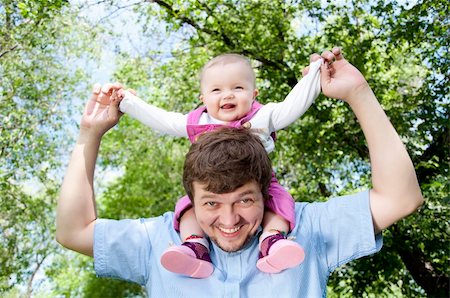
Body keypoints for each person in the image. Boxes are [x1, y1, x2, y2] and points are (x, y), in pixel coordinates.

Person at [56, 48, 423, 297]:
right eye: (211, 203)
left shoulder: (305, 230)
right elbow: (73, 231)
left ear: (264, 192)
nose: (229, 219)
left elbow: (401, 198)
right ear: (191, 196)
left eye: (245, 199)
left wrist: (358, 92)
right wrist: (89, 135)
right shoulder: (157, 241)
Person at [112, 53, 322, 277]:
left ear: (254, 94)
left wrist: (314, 75)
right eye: (216, 90)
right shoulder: (199, 123)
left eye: (238, 88)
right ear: (203, 98)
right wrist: (128, 103)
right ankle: (195, 246)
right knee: (188, 209)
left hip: (258, 185)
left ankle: (273, 240)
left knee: (278, 202)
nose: (228, 95)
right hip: (211, 187)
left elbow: (293, 106)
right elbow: (163, 120)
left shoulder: (263, 116)